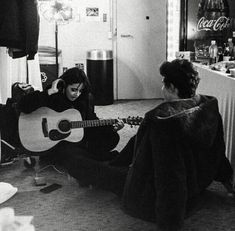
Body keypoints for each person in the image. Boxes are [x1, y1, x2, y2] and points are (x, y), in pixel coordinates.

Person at [107, 58, 234, 230]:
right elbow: (217, 151)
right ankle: (115, 162)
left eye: (163, 84)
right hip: (196, 185)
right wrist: (228, 183)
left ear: (173, 88)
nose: (161, 88)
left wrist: (170, 223)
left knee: (99, 172)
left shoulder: (163, 121)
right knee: (133, 144)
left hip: (150, 194)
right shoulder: (208, 107)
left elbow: (170, 178)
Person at [17, 67, 124, 164]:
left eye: (80, 90)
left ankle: (87, 158)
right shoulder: (53, 95)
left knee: (112, 137)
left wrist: (111, 128)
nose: (77, 94)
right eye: (73, 90)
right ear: (64, 86)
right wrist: (49, 92)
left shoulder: (85, 98)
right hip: (58, 143)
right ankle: (94, 158)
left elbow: (91, 120)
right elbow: (22, 106)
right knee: (69, 152)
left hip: (79, 139)